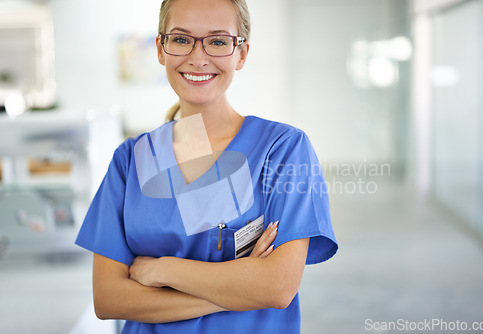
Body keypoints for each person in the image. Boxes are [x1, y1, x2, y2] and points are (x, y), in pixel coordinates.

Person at [75, 0, 338, 333]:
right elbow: (110, 298)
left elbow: (277, 287)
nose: (198, 58)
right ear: (161, 48)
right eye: (182, 39)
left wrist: (163, 271)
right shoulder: (130, 160)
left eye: (217, 41)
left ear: (241, 54)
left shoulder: (283, 150)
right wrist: (236, 291)